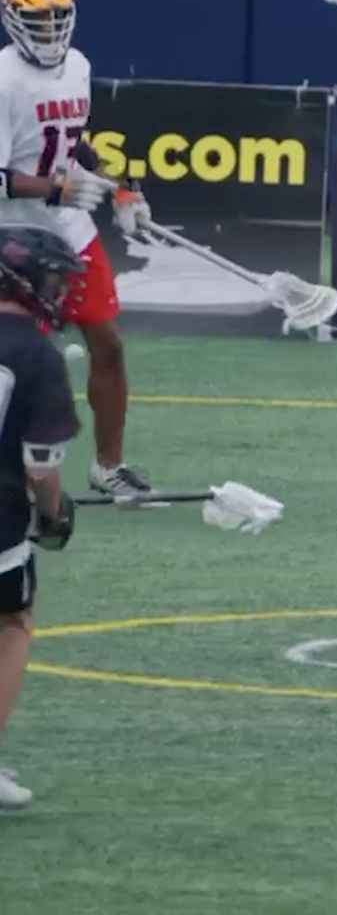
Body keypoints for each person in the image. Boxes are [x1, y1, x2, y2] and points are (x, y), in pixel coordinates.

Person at [0, 0, 154, 498]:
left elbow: (70, 143)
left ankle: (109, 466)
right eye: (37, 21)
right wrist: (55, 190)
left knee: (107, 345)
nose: (49, 31)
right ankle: (20, 474)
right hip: (13, 239)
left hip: (70, 230)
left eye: (56, 19)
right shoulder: (3, 80)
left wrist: (119, 187)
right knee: (24, 361)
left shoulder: (79, 66)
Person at [0, 202, 84, 811]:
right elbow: (42, 469)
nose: (60, 291)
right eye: (53, 279)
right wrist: (53, 515)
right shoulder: (37, 355)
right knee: (12, 623)